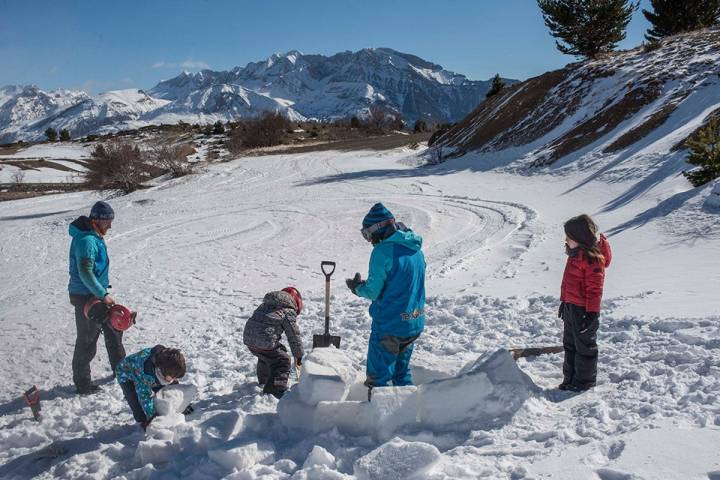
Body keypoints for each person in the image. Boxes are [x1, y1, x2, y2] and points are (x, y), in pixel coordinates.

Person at [346, 203, 426, 391]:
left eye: (367, 234)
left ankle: (378, 418)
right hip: (413, 322)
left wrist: (357, 288)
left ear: (377, 229)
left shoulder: (382, 251)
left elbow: (373, 291)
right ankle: (406, 413)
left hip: (390, 325)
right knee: (401, 373)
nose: (369, 240)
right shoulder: (415, 249)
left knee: (378, 379)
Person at [68, 201, 126, 395]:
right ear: (96, 221)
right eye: (107, 221)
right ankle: (83, 383)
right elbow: (85, 272)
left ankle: (122, 371)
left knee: (114, 331)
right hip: (86, 296)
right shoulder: (86, 241)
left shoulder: (94, 236)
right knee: (87, 339)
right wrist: (103, 294)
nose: (110, 225)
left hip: (97, 293)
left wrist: (102, 293)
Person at [558, 214, 612, 392]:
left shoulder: (592, 259)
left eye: (569, 237)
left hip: (584, 310)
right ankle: (570, 379)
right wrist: (564, 302)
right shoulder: (575, 254)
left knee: (584, 347)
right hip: (571, 307)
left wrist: (591, 314)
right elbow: (569, 283)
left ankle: (584, 382)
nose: (566, 240)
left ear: (579, 238)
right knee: (570, 344)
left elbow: (594, 290)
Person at [243, 287, 304, 399]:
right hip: (264, 340)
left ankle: (264, 380)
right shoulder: (288, 311)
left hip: (249, 338)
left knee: (267, 355)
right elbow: (293, 335)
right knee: (283, 360)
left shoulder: (265, 305)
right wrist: (298, 355)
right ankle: (275, 390)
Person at [116, 345, 187, 430]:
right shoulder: (145, 372)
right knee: (136, 402)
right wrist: (153, 417)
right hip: (125, 374)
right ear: (164, 371)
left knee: (168, 388)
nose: (174, 379)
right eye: (173, 376)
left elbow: (174, 388)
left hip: (147, 372)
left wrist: (183, 404)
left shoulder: (167, 361)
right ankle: (144, 422)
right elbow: (144, 396)